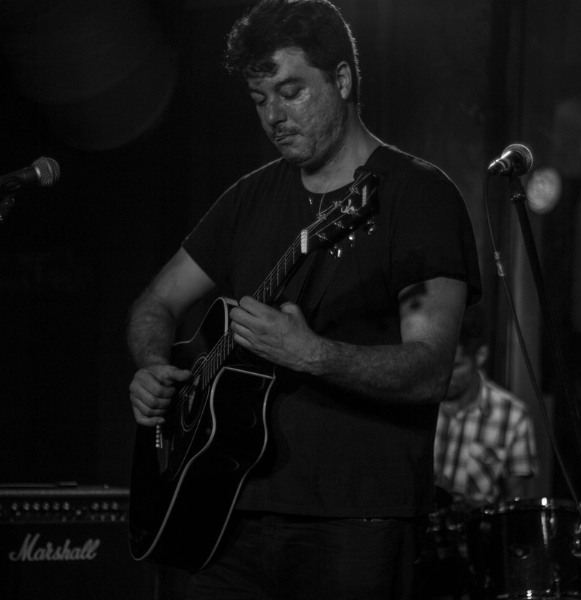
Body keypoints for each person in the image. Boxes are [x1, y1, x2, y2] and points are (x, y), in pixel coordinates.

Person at [127, 1, 481, 598]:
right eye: (260, 99)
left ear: (341, 79)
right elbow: (154, 303)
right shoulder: (248, 198)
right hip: (221, 514)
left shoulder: (418, 196)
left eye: (291, 92)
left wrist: (312, 353)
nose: (274, 116)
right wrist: (152, 366)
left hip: (354, 521)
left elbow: (429, 371)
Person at [434, 304, 538, 506]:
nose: (445, 375)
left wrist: (469, 506)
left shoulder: (512, 415)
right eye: (440, 365)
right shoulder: (420, 403)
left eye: (456, 366)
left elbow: (516, 501)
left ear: (480, 356)